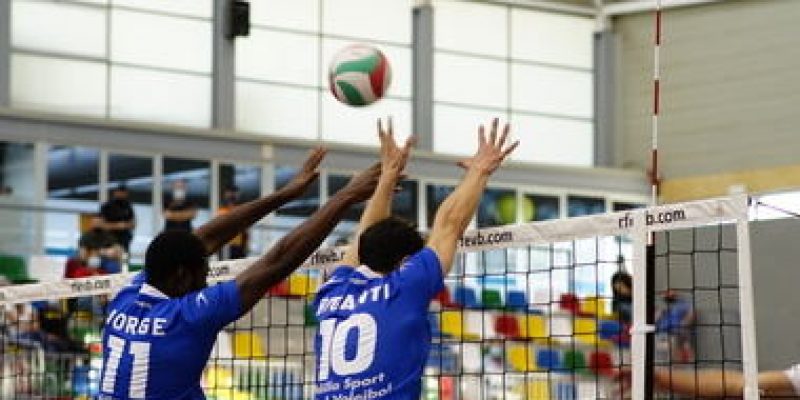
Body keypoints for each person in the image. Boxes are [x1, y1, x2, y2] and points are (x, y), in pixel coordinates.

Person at [98, 148, 381, 399]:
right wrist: (346, 197)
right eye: (203, 273)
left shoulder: (126, 296)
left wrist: (286, 194)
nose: (206, 281)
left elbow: (203, 240)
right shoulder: (188, 316)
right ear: (182, 275)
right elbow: (277, 261)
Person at [313, 118, 518, 399]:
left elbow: (362, 237)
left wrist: (387, 177)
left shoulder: (331, 293)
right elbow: (449, 222)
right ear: (404, 262)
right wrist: (481, 170)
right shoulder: (406, 286)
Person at [216, 185, 248, 260]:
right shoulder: (222, 210)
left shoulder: (241, 209)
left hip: (238, 244)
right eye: (229, 194)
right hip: (225, 244)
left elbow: (245, 229)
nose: (232, 196)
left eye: (234, 194)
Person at [101, 184, 136, 253]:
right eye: (120, 192)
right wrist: (118, 226)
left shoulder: (128, 206)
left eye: (124, 193)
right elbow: (102, 225)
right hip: (110, 239)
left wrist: (125, 225)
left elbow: (133, 223)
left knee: (124, 260)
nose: (122, 194)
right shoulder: (107, 206)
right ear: (115, 192)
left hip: (125, 239)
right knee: (111, 258)